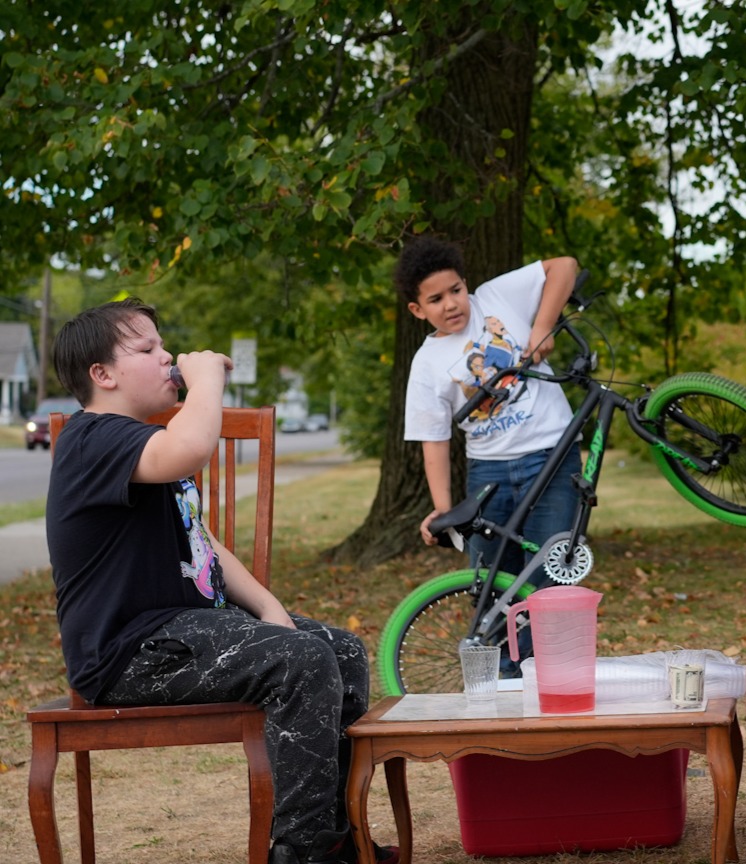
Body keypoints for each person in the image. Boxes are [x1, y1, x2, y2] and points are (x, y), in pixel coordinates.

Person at [45, 299, 394, 864]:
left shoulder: (137, 444)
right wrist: (206, 379)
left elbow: (198, 539)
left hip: (188, 632)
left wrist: (269, 607)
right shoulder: (93, 440)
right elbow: (189, 448)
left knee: (342, 650)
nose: (167, 359)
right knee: (300, 662)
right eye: (148, 349)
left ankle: (335, 833)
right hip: (131, 652)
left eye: (165, 346)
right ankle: (303, 852)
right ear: (102, 376)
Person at [397, 236, 582, 581]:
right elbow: (433, 439)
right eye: (435, 299)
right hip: (488, 474)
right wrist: (442, 508)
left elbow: (565, 265)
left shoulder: (496, 296)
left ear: (465, 284)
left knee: (553, 577)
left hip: (553, 458)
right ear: (417, 309)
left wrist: (542, 326)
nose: (451, 304)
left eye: (455, 290)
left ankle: (548, 638)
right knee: (489, 584)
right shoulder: (425, 364)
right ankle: (497, 639)